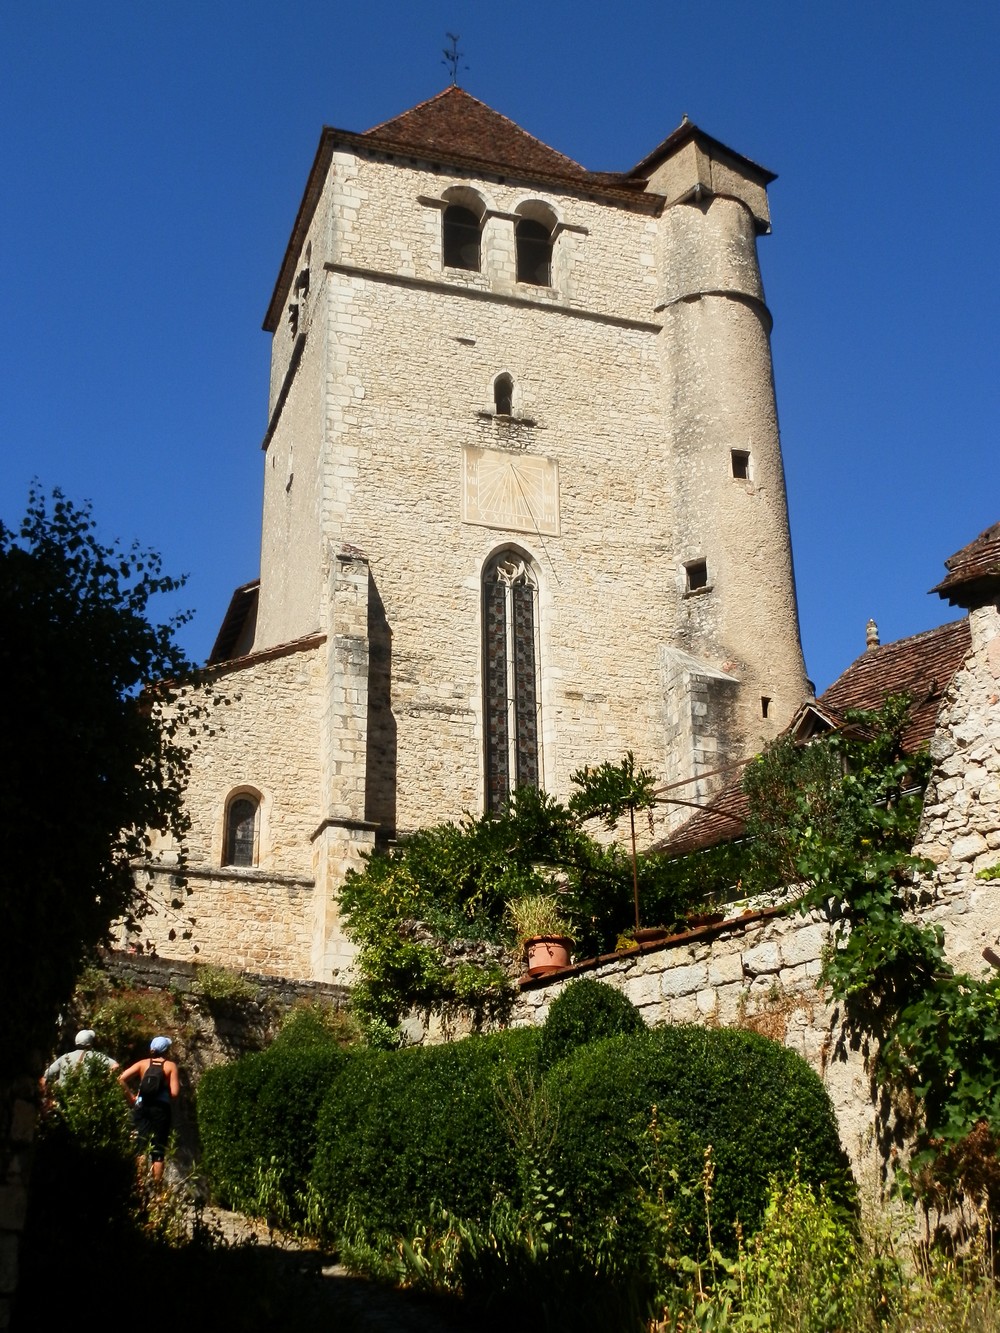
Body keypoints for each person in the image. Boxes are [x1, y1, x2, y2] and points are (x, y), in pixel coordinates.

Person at [118, 1035, 180, 1184]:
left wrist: (132, 1098)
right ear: (167, 1050)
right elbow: (175, 1093)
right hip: (160, 1110)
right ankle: (157, 1191)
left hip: (142, 1106)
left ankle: (138, 1186)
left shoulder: (143, 1064)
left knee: (140, 1146)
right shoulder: (170, 1066)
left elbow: (120, 1079)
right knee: (158, 1150)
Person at [40, 1029, 119, 1095]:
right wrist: (104, 1081)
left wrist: (46, 1094)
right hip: (84, 1100)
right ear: (90, 1043)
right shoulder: (95, 1056)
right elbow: (116, 1066)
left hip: (63, 1099)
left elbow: (45, 1077)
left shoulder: (65, 1057)